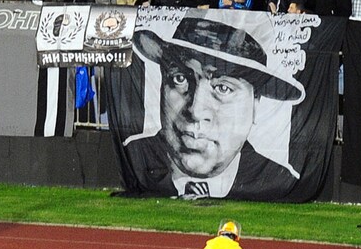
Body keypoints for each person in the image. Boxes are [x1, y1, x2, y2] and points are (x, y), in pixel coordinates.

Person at [122, 15, 303, 197]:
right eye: (180, 79)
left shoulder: (279, 180)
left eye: (223, 88)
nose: (196, 111)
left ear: (255, 104)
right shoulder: (129, 158)